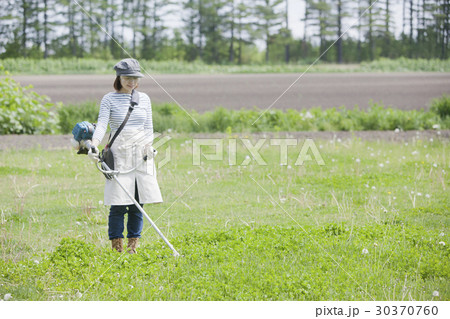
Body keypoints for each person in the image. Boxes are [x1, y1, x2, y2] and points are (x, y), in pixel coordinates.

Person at [88, 58, 163, 254]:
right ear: (119, 77)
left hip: (141, 152)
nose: (132, 82)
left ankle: (132, 248)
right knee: (119, 201)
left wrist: (149, 145)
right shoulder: (109, 99)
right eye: (127, 78)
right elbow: (102, 124)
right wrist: (94, 145)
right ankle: (117, 248)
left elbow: (149, 127)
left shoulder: (144, 99)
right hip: (119, 153)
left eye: (135, 78)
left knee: (139, 201)